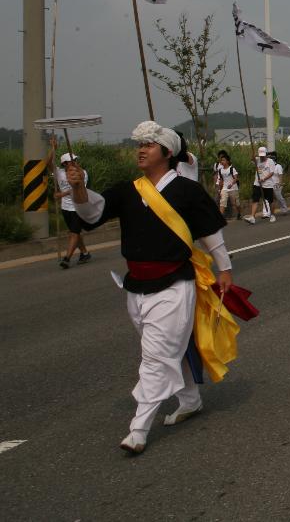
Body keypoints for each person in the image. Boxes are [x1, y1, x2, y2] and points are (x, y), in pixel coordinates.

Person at [66, 120, 235, 454]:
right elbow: (92, 212)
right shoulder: (129, 190)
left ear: (167, 152)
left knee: (156, 356)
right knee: (169, 350)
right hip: (136, 286)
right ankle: (190, 399)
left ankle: (138, 428)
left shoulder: (186, 190)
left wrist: (225, 268)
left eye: (148, 145)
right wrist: (78, 189)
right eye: (138, 145)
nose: (140, 150)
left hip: (175, 284)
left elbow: (210, 234)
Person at [53, 152, 92, 268]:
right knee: (75, 232)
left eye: (75, 160)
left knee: (74, 233)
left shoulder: (81, 173)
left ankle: (67, 258)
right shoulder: (59, 173)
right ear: (64, 164)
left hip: (78, 207)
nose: (75, 162)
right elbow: (48, 163)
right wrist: (53, 149)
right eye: (72, 161)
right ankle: (85, 253)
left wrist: (61, 194)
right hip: (65, 208)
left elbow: (76, 189)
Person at [244, 147, 276, 224]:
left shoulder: (270, 161)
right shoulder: (257, 160)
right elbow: (252, 159)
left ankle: (272, 215)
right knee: (255, 200)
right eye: (260, 155)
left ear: (266, 154)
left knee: (270, 201)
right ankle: (252, 217)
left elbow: (271, 173)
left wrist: (264, 179)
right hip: (257, 184)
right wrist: (253, 154)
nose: (262, 157)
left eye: (263, 155)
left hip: (267, 185)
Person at [213, 151, 241, 221]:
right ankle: (220, 218)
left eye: (223, 160)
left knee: (235, 203)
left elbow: (236, 178)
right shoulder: (220, 170)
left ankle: (239, 213)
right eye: (221, 160)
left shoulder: (232, 169)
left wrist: (231, 184)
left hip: (233, 188)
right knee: (222, 202)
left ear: (227, 161)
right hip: (225, 188)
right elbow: (221, 180)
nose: (222, 162)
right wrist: (220, 189)